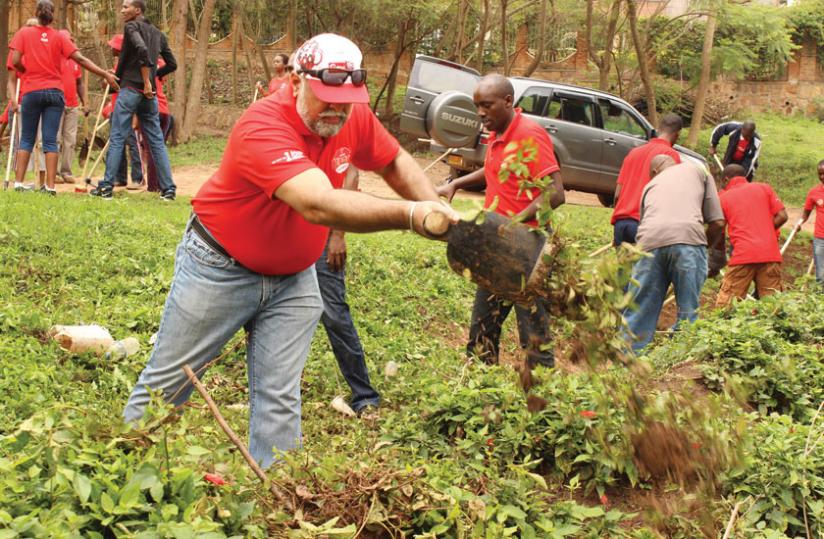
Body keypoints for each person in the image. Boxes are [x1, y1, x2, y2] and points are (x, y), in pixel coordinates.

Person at [122, 34, 459, 469]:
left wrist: (437, 208)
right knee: (167, 385)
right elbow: (318, 203)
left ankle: (274, 495)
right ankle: (124, 476)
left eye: (347, 99)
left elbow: (392, 160)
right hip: (220, 268)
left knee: (280, 394)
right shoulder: (263, 124)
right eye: (327, 98)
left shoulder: (349, 114)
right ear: (297, 82)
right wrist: (414, 215)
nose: (337, 110)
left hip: (296, 277)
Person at [436, 74, 565, 368]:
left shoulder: (530, 135)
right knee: (482, 332)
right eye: (476, 106)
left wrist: (515, 222)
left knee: (534, 339)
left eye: (487, 105)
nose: (480, 113)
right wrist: (456, 184)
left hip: (527, 253)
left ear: (508, 102)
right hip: (495, 246)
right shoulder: (496, 133)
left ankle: (542, 405)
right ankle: (483, 396)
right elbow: (492, 169)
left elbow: (555, 193)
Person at [9, 0, 117, 196]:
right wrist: (105, 74)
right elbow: (81, 59)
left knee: (26, 139)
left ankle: (18, 183)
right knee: (51, 140)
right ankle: (50, 187)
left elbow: (15, 61)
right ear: (53, 16)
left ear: (36, 13)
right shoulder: (59, 37)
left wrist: (27, 73)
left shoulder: (23, 33)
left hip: (31, 91)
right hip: (54, 92)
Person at [623, 156, 725, 353]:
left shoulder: (650, 186)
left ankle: (625, 362)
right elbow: (718, 222)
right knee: (688, 312)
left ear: (654, 172)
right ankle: (677, 363)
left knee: (639, 308)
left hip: (648, 245)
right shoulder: (699, 170)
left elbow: (646, 228)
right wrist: (701, 248)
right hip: (688, 241)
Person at [90, 0, 176, 200]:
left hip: (131, 89)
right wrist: (154, 77)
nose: (122, 10)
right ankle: (169, 189)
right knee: (156, 140)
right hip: (149, 95)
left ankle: (107, 187)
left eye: (126, 7)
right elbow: (172, 64)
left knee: (118, 135)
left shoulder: (131, 27)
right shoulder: (158, 34)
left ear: (138, 10)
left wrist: (146, 80)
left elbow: (142, 51)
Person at [314, 166, 381, 416]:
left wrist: (338, 234)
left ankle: (364, 395)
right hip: (287, 237)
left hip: (323, 238)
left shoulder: (336, 130)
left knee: (335, 316)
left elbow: (350, 175)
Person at [714, 164, 787, 307]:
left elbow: (719, 226)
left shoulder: (723, 197)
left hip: (743, 254)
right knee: (772, 307)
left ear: (726, 179)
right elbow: (783, 216)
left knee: (727, 306)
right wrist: (765, 231)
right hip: (770, 253)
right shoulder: (764, 188)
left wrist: (717, 257)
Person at [610, 114, 682, 246]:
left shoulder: (633, 153)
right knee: (646, 267)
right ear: (677, 135)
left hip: (621, 224)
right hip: (645, 225)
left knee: (624, 267)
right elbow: (670, 197)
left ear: (658, 130)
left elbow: (617, 195)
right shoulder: (670, 156)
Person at [101, 34, 143, 189]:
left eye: (113, 46)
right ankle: (120, 177)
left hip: (128, 110)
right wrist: (107, 77)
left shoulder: (129, 65)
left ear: (119, 49)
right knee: (116, 143)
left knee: (132, 144)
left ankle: (137, 178)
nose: (111, 48)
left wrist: (135, 115)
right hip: (115, 109)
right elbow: (110, 88)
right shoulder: (117, 65)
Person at [56, 29, 88, 184]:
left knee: (70, 140)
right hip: (55, 104)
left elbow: (80, 83)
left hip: (72, 105)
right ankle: (53, 172)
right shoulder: (53, 58)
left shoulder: (75, 60)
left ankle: (66, 171)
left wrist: (85, 102)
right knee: (54, 139)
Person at [136, 57, 173, 192]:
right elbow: (163, 79)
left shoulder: (139, 64)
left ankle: (153, 186)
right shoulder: (161, 62)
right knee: (159, 148)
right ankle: (162, 184)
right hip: (165, 112)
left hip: (151, 110)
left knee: (151, 150)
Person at [797, 159, 824, 285]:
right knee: (821, 274)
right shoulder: (814, 192)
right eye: (820, 174)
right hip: (820, 238)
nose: (822, 176)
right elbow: (806, 213)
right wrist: (800, 223)